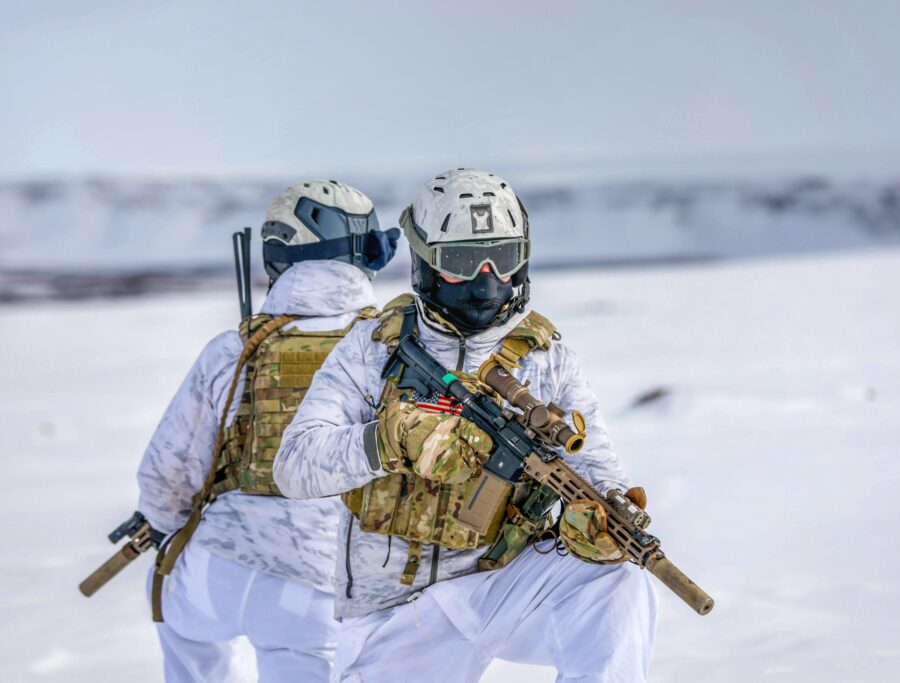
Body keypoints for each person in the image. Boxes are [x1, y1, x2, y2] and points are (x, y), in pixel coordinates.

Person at [274, 169, 658, 683]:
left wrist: (604, 518)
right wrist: (390, 440)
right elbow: (293, 466)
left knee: (618, 580)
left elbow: (595, 464)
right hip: (394, 613)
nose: (486, 280)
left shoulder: (547, 356)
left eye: (502, 259)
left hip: (504, 584)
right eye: (461, 263)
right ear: (426, 263)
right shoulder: (371, 348)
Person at [136, 180, 400, 682]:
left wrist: (165, 523)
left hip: (213, 572)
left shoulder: (233, 349)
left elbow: (166, 477)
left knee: (177, 611)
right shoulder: (389, 352)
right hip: (318, 588)